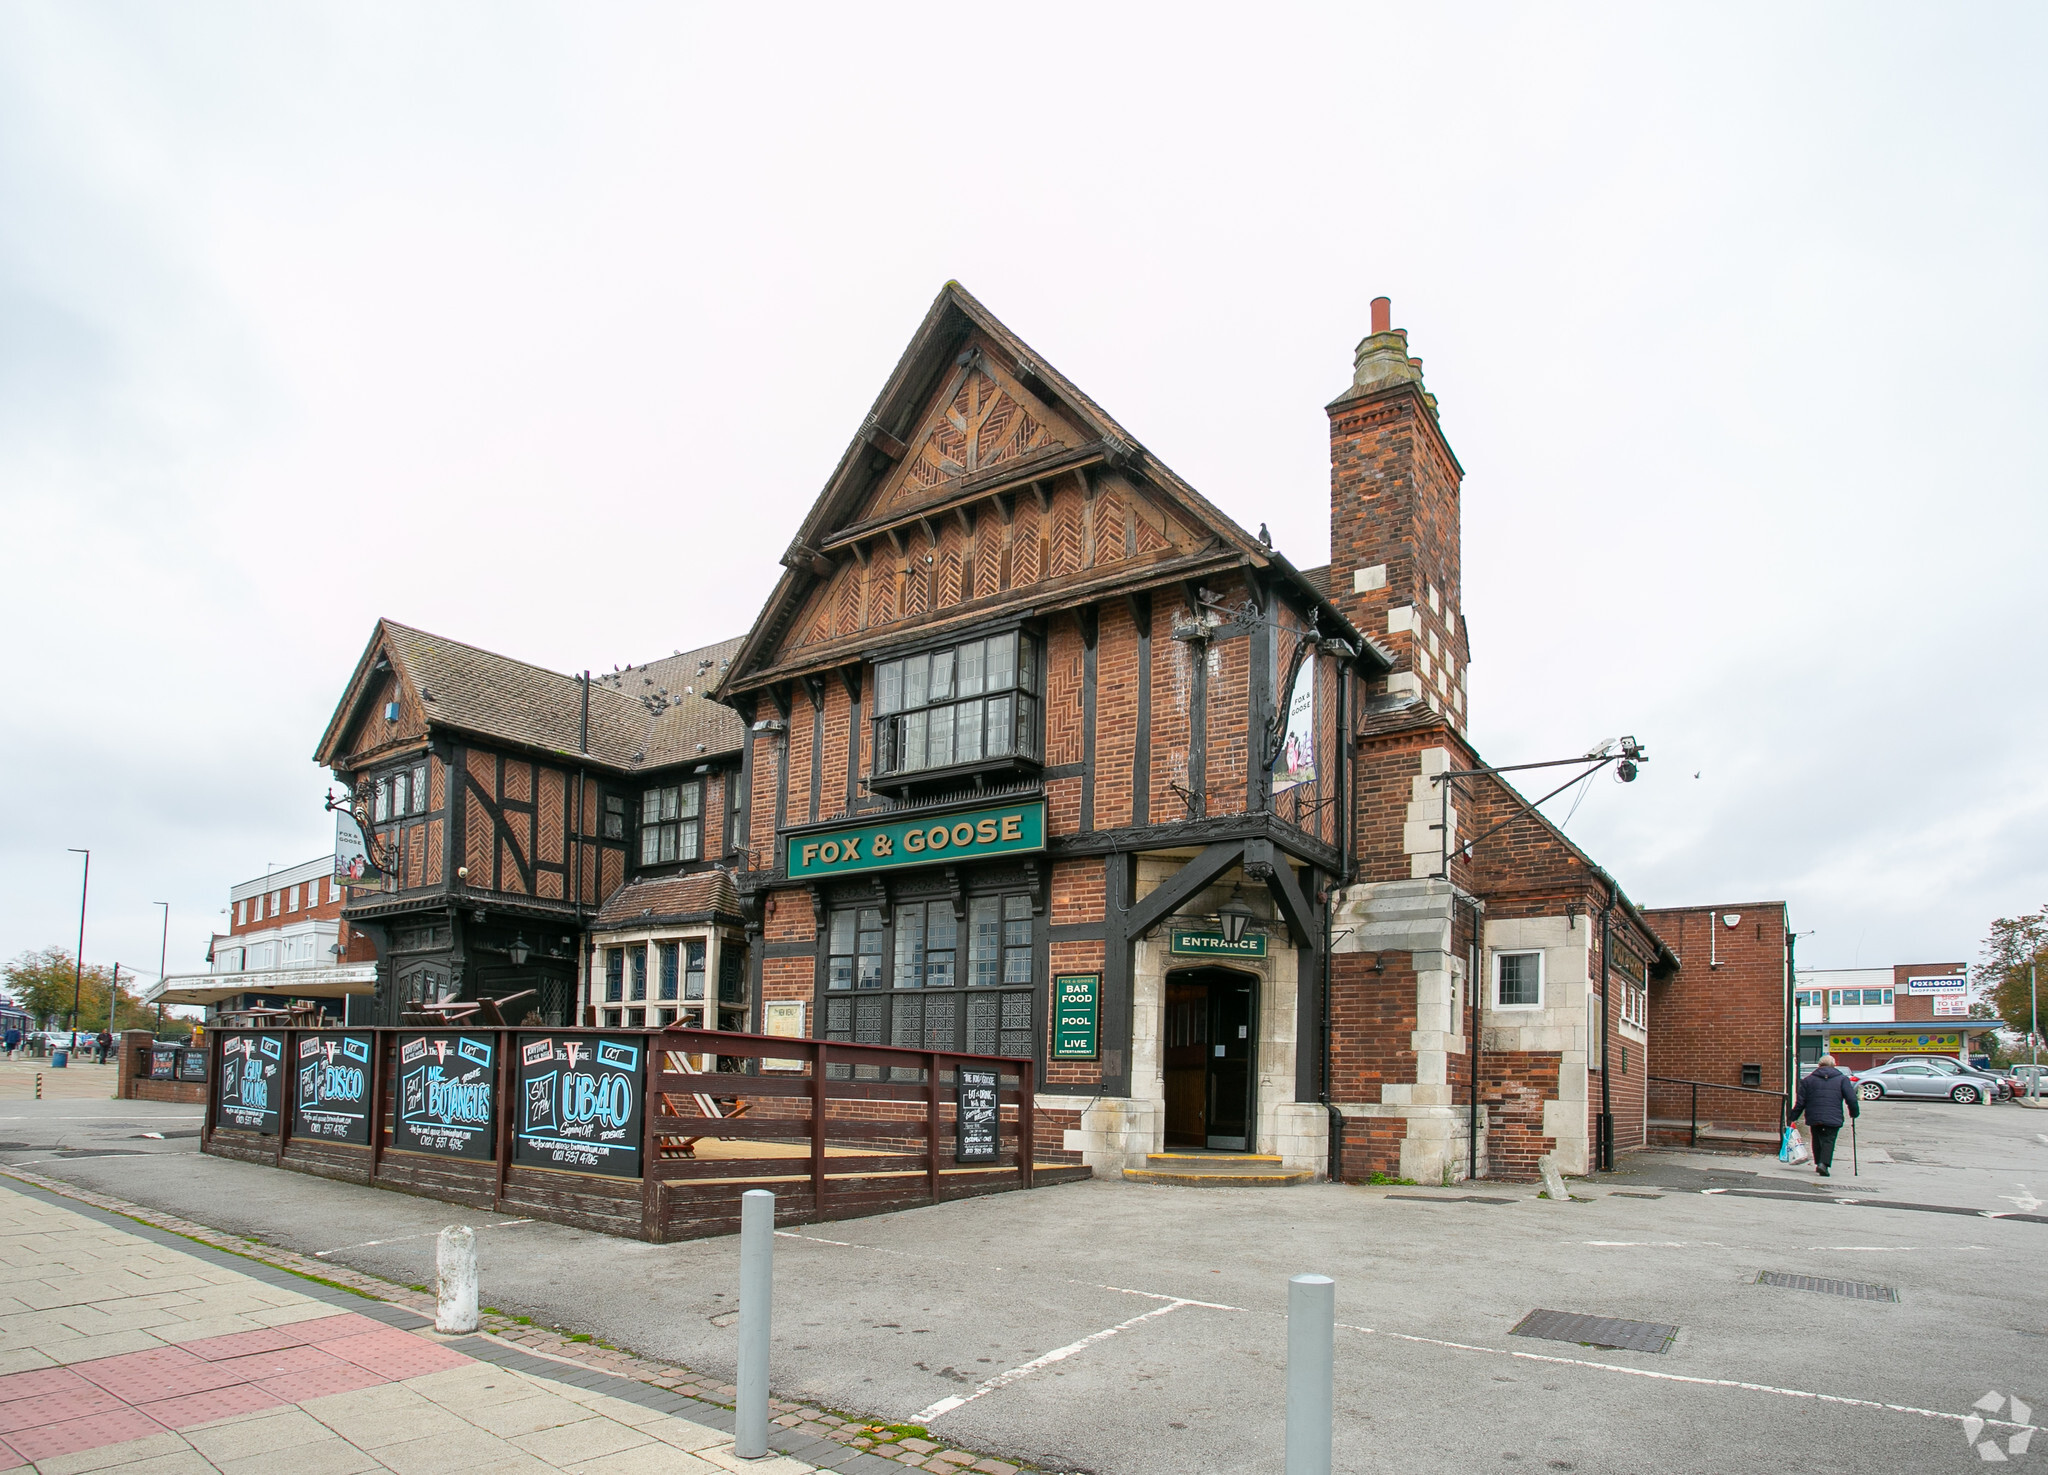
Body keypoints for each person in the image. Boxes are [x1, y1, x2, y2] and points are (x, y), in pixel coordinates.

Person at [1790, 1053, 1860, 1177]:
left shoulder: (1808, 1080)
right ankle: (1824, 1164)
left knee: (1816, 1139)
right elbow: (1851, 1098)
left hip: (1814, 1115)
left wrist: (1793, 1117)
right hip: (1833, 1115)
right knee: (1829, 1140)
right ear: (1834, 1065)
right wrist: (1854, 1112)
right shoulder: (1842, 1079)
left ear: (1819, 1065)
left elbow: (1801, 1102)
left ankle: (1819, 1163)